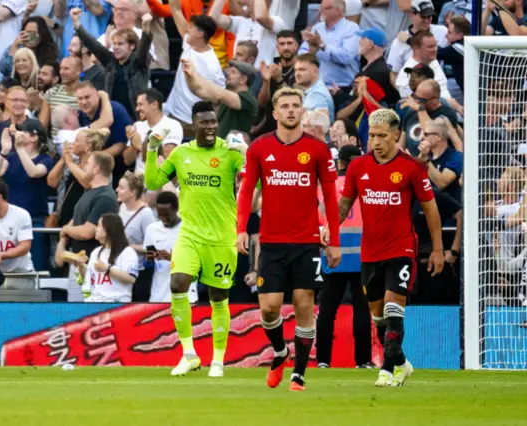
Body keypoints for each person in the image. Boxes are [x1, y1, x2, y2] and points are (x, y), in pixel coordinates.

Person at [236, 87, 341, 391]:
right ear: (276, 112)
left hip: (307, 240)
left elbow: (330, 199)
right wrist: (241, 228)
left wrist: (333, 238)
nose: (292, 110)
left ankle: (299, 373)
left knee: (303, 302)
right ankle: (281, 351)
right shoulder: (259, 148)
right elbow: (246, 192)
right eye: (286, 106)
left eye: (297, 105)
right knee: (268, 307)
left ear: (303, 111)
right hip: (271, 241)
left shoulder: (318, 149)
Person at [335, 108, 444, 386]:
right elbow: (345, 204)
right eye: (372, 136)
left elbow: (431, 210)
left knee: (394, 309)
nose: (376, 142)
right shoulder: (358, 166)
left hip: (402, 250)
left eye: (382, 136)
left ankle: (386, 369)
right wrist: (329, 231)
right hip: (370, 251)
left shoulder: (411, 168)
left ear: (397, 135)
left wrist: (438, 249)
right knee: (379, 316)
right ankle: (402, 363)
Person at [145, 101, 245, 378]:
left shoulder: (229, 151)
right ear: (194, 124)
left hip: (222, 236)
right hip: (189, 234)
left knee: (218, 296)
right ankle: (189, 354)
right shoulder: (181, 154)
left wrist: (247, 157)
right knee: (177, 284)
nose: (211, 127)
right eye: (205, 122)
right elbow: (153, 182)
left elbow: (256, 183)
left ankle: (218, 361)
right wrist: (152, 149)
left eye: (213, 122)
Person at [316, 144, 372, 368]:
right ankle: (364, 360)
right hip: (362, 258)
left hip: (333, 256)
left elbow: (319, 220)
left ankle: (322, 360)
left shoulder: (327, 187)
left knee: (327, 311)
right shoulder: (366, 185)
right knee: (362, 310)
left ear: (340, 163)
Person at [0, 118, 55, 272]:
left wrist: (19, 149)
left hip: (34, 218)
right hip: (9, 219)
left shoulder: (45, 159)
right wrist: (4, 150)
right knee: (9, 264)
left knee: (36, 263)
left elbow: (34, 172)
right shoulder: (11, 156)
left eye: (22, 131)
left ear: (34, 136)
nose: (17, 134)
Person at [56, 151, 119, 301]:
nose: (84, 167)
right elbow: (75, 220)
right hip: (77, 263)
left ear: (96, 169)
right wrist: (62, 243)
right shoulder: (89, 191)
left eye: (88, 164)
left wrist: (64, 230)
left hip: (93, 267)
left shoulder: (105, 198)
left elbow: (87, 232)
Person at [71, 7, 153, 119]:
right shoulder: (111, 62)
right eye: (114, 44)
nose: (115, 47)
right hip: (114, 116)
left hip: (137, 117)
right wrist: (77, 24)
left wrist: (146, 29)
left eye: (120, 44)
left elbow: (143, 48)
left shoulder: (139, 63)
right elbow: (93, 44)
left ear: (132, 46)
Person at [163, 0, 225, 133]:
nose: (187, 29)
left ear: (199, 34)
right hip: (172, 115)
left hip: (189, 123)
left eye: (191, 27)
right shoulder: (189, 44)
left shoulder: (212, 64)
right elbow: (176, 10)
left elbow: (219, 96)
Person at [144, 191, 199, 303]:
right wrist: (149, 259)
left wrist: (171, 258)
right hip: (158, 296)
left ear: (176, 209)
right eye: (160, 215)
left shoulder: (189, 229)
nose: (163, 218)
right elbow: (148, 265)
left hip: (186, 295)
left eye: (166, 215)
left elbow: (196, 262)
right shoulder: (151, 229)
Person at [182, 58, 258, 138]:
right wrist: (189, 75)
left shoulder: (248, 100)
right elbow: (198, 90)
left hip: (234, 149)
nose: (228, 74)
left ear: (243, 79)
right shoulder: (226, 96)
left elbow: (219, 94)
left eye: (233, 72)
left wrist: (195, 73)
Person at [76, 213, 139, 302]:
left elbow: (131, 278)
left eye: (98, 226)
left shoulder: (127, 252)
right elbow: (90, 279)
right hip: (95, 303)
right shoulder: (96, 252)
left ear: (109, 230)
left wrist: (107, 269)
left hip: (117, 304)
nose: (95, 229)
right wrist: (82, 267)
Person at [116, 172, 156, 301]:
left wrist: (130, 247)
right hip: (122, 267)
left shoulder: (146, 214)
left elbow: (153, 247)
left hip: (140, 271)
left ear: (132, 191)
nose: (117, 190)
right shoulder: (122, 207)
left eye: (122, 188)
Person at [124, 88, 183, 174]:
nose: (137, 109)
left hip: (160, 181)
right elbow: (127, 160)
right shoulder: (137, 126)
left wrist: (140, 146)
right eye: (137, 105)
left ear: (154, 104)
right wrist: (133, 145)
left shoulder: (172, 125)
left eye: (140, 105)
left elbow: (167, 154)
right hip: (138, 182)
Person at [417, 118, 463, 201]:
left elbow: (441, 183)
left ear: (438, 136)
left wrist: (425, 160)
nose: (422, 137)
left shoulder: (456, 157)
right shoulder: (425, 155)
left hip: (449, 209)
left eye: (426, 134)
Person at [294, 53, 334, 121]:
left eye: (302, 70)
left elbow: (319, 126)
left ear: (315, 72)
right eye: (296, 70)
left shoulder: (317, 94)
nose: (297, 74)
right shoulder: (313, 91)